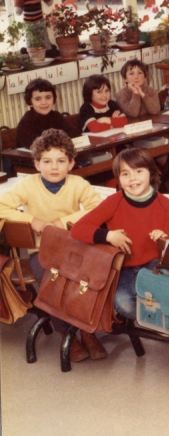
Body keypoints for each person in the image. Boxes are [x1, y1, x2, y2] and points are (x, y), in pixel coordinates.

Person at [0, 129, 102, 361]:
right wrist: (32, 220)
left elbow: (97, 209)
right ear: (36, 164)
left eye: (60, 161)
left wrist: (63, 222)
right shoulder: (28, 186)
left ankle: (86, 331)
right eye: (46, 161)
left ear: (71, 163)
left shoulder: (78, 183)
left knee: (86, 280)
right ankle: (66, 332)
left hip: (76, 251)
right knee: (51, 284)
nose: (53, 167)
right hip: (42, 253)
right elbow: (1, 206)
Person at [70, 148, 169, 331]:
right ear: (118, 179)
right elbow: (77, 230)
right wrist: (109, 236)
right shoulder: (114, 202)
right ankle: (158, 319)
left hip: (154, 264)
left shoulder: (165, 204)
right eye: (125, 174)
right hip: (123, 267)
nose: (133, 179)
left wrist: (163, 238)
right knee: (122, 303)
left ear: (151, 173)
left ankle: (158, 317)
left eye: (139, 171)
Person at [16, 78, 80, 149]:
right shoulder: (26, 121)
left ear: (53, 99)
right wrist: (59, 137)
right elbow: (36, 145)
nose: (44, 102)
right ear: (30, 102)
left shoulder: (56, 116)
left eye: (48, 97)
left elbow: (75, 133)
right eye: (38, 99)